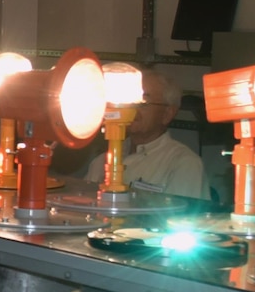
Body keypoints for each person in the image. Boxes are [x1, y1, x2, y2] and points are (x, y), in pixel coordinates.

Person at [79, 68, 207, 200]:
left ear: (168, 113)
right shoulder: (102, 161)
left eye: (143, 103)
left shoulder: (183, 164)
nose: (133, 110)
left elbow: (181, 217)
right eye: (129, 102)